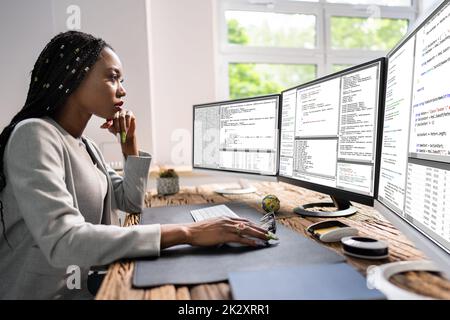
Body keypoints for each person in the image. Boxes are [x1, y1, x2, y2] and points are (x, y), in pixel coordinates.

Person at [0, 31, 269, 300]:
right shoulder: (35, 134)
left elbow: (130, 201)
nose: (122, 89)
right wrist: (188, 232)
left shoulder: (86, 146)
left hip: (90, 285)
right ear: (75, 78)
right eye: (112, 77)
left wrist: (129, 147)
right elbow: (63, 241)